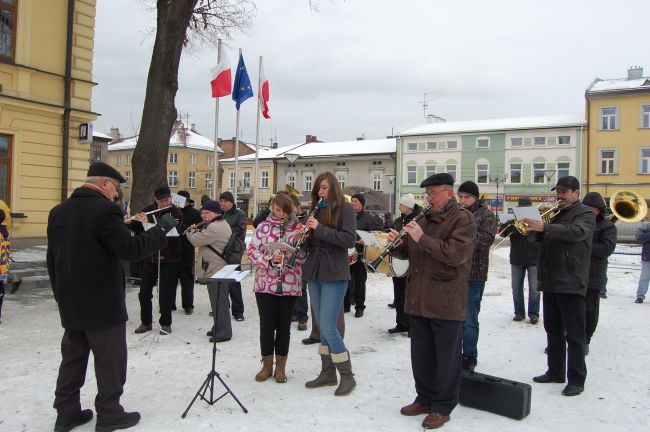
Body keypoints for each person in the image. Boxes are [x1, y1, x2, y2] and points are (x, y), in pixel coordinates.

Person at [47, 161, 173, 432]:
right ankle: (109, 413)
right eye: (115, 188)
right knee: (110, 361)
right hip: (102, 302)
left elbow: (52, 260)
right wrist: (160, 231)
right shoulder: (105, 211)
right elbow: (129, 249)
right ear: (104, 183)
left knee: (72, 358)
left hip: (70, 300)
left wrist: (61, 295)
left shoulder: (58, 212)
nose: (117, 194)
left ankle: (66, 412)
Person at [388, 173, 476, 429]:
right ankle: (424, 398)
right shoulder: (424, 217)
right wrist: (397, 243)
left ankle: (442, 406)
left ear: (449, 192)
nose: (428, 199)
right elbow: (411, 251)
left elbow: (455, 254)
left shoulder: (463, 218)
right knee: (422, 354)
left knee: (446, 358)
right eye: (427, 194)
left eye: (433, 193)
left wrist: (421, 238)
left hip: (446, 299)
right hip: (419, 296)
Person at [524, 175, 595, 397]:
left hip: (571, 280)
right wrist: (531, 230)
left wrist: (544, 226)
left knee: (574, 334)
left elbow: (576, 233)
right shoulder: (556, 213)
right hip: (551, 279)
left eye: (564, 192)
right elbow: (541, 239)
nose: (560, 196)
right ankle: (555, 371)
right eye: (558, 192)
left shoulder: (584, 213)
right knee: (552, 330)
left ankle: (576, 379)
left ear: (576, 193)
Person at [303, 172, 357, 396]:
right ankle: (327, 373)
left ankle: (347, 376)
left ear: (333, 188)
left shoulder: (345, 209)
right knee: (320, 327)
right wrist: (304, 237)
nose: (320, 192)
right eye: (318, 188)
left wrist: (320, 229)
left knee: (328, 325)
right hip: (314, 271)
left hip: (334, 271)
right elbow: (312, 241)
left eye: (324, 188)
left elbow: (348, 239)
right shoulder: (315, 210)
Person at [247, 193, 306, 383]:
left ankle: (281, 367)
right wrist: (268, 260)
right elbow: (251, 251)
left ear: (290, 211)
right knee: (266, 326)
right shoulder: (263, 227)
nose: (277, 214)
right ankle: (266, 365)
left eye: (281, 210)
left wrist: (295, 248)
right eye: (275, 209)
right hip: (266, 284)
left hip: (289, 284)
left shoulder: (299, 228)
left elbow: (305, 257)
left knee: (284, 328)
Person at [130, 186, 184, 335]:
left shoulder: (176, 212)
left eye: (167, 200)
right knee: (144, 292)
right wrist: (133, 221)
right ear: (155, 200)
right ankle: (146, 322)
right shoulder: (148, 209)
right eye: (162, 201)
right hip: (150, 257)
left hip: (169, 257)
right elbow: (137, 228)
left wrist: (147, 224)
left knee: (165, 291)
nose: (165, 203)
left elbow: (167, 230)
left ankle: (166, 323)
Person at [457, 181, 496, 371]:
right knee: (453, 318)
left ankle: (469, 356)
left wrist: (462, 236)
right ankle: (453, 353)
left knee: (469, 319)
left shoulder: (486, 214)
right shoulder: (455, 212)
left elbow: (486, 241)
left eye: (467, 197)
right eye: (461, 197)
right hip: (454, 272)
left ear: (476, 197)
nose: (463, 200)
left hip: (475, 273)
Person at [186, 200, 233, 343]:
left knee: (219, 302)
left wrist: (191, 231)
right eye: (203, 212)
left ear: (216, 213)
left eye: (207, 213)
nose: (203, 215)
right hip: (217, 268)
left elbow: (195, 240)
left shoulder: (215, 227)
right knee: (218, 301)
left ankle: (224, 332)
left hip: (216, 269)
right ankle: (218, 327)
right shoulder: (217, 224)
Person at [581, 192, 616, 354]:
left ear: (599, 210)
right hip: (574, 272)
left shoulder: (608, 227)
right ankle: (569, 337)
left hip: (594, 273)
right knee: (571, 308)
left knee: (590, 308)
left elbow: (606, 249)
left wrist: (583, 244)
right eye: (587, 208)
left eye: (593, 209)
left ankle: (586, 338)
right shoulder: (578, 222)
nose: (590, 211)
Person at [500, 197, 541, 324]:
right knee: (516, 288)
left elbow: (543, 236)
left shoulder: (537, 221)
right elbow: (503, 234)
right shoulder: (513, 221)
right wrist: (508, 224)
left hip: (534, 258)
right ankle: (519, 313)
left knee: (534, 289)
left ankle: (533, 314)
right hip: (517, 258)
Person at [387, 193, 421, 334]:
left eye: (401, 204)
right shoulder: (399, 220)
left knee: (411, 295)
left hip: (413, 261)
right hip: (398, 259)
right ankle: (401, 323)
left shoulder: (418, 219)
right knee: (399, 294)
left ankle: (412, 326)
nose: (399, 206)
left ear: (408, 205)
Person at [345, 192, 382, 317]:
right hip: (347, 254)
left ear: (362, 204)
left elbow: (377, 233)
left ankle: (360, 307)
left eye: (356, 201)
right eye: (352, 201)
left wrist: (365, 239)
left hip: (360, 254)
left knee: (360, 281)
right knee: (345, 280)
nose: (353, 203)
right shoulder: (347, 216)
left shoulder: (369, 218)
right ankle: (346, 304)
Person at [219, 191, 247, 321]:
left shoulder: (240, 214)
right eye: (221, 201)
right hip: (218, 250)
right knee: (220, 281)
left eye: (225, 201)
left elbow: (240, 232)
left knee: (234, 281)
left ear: (232, 202)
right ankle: (222, 308)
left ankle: (238, 311)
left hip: (233, 251)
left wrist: (223, 231)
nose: (223, 204)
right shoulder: (219, 214)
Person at [175, 190, 202, 315]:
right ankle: (169, 303)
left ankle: (188, 305)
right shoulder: (172, 211)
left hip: (186, 249)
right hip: (171, 248)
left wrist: (188, 227)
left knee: (186, 278)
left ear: (187, 201)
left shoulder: (195, 214)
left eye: (182, 200)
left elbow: (200, 228)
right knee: (170, 279)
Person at [636, 224, 650, 304]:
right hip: (647, 257)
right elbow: (640, 238)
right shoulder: (647, 227)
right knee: (644, 277)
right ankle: (640, 296)